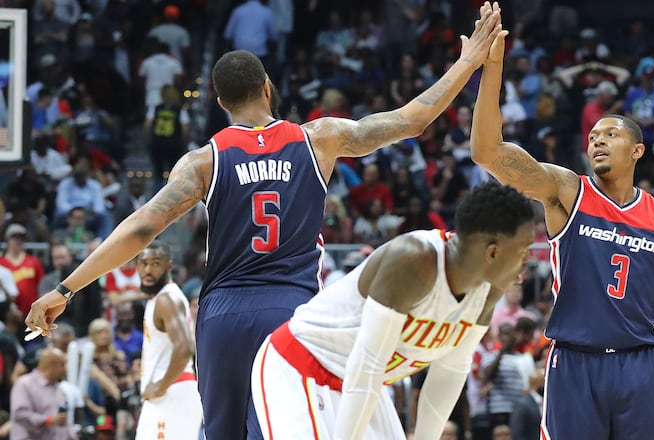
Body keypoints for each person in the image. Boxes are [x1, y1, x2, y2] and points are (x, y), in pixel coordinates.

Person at [26, 4, 504, 438]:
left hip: (222, 314)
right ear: (267, 88)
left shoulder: (203, 161)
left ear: (219, 102)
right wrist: (467, 63)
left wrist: (65, 288)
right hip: (292, 312)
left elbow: (139, 228)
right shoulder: (320, 137)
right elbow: (411, 120)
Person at [469, 17, 654, 439]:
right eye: (593, 135)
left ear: (636, 150)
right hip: (574, 363)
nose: (596, 140)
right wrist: (492, 71)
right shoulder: (567, 191)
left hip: (640, 364)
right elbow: (487, 152)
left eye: (610, 133)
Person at [250, 182, 535, 439]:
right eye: (523, 252)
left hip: (363, 385)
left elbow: (449, 371)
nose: (527, 263)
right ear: (493, 252)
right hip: (302, 366)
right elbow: (368, 366)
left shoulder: (488, 290)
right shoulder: (415, 260)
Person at [135, 241, 202, 440]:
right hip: (166, 394)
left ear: (169, 266)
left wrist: (160, 386)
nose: (148, 270)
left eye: (155, 264)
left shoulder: (167, 300)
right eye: (143, 263)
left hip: (172, 392)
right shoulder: (158, 298)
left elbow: (185, 348)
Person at [10, 347, 69, 440]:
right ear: (51, 365)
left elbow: (62, 422)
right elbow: (20, 414)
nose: (65, 369)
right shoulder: (24, 384)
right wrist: (47, 420)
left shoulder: (60, 390)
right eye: (63, 365)